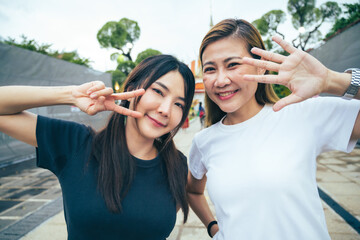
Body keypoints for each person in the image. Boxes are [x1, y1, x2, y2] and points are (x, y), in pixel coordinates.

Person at [186, 18, 360, 240]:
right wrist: (213, 228)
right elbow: (192, 190)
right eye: (210, 69)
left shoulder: (302, 115)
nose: (221, 80)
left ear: (260, 64)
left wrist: (330, 80)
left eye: (233, 64)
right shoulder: (203, 141)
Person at [0, 54, 195, 240]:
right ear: (132, 89)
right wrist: (71, 95)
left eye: (179, 104)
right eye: (158, 92)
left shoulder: (177, 166)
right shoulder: (77, 144)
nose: (165, 110)